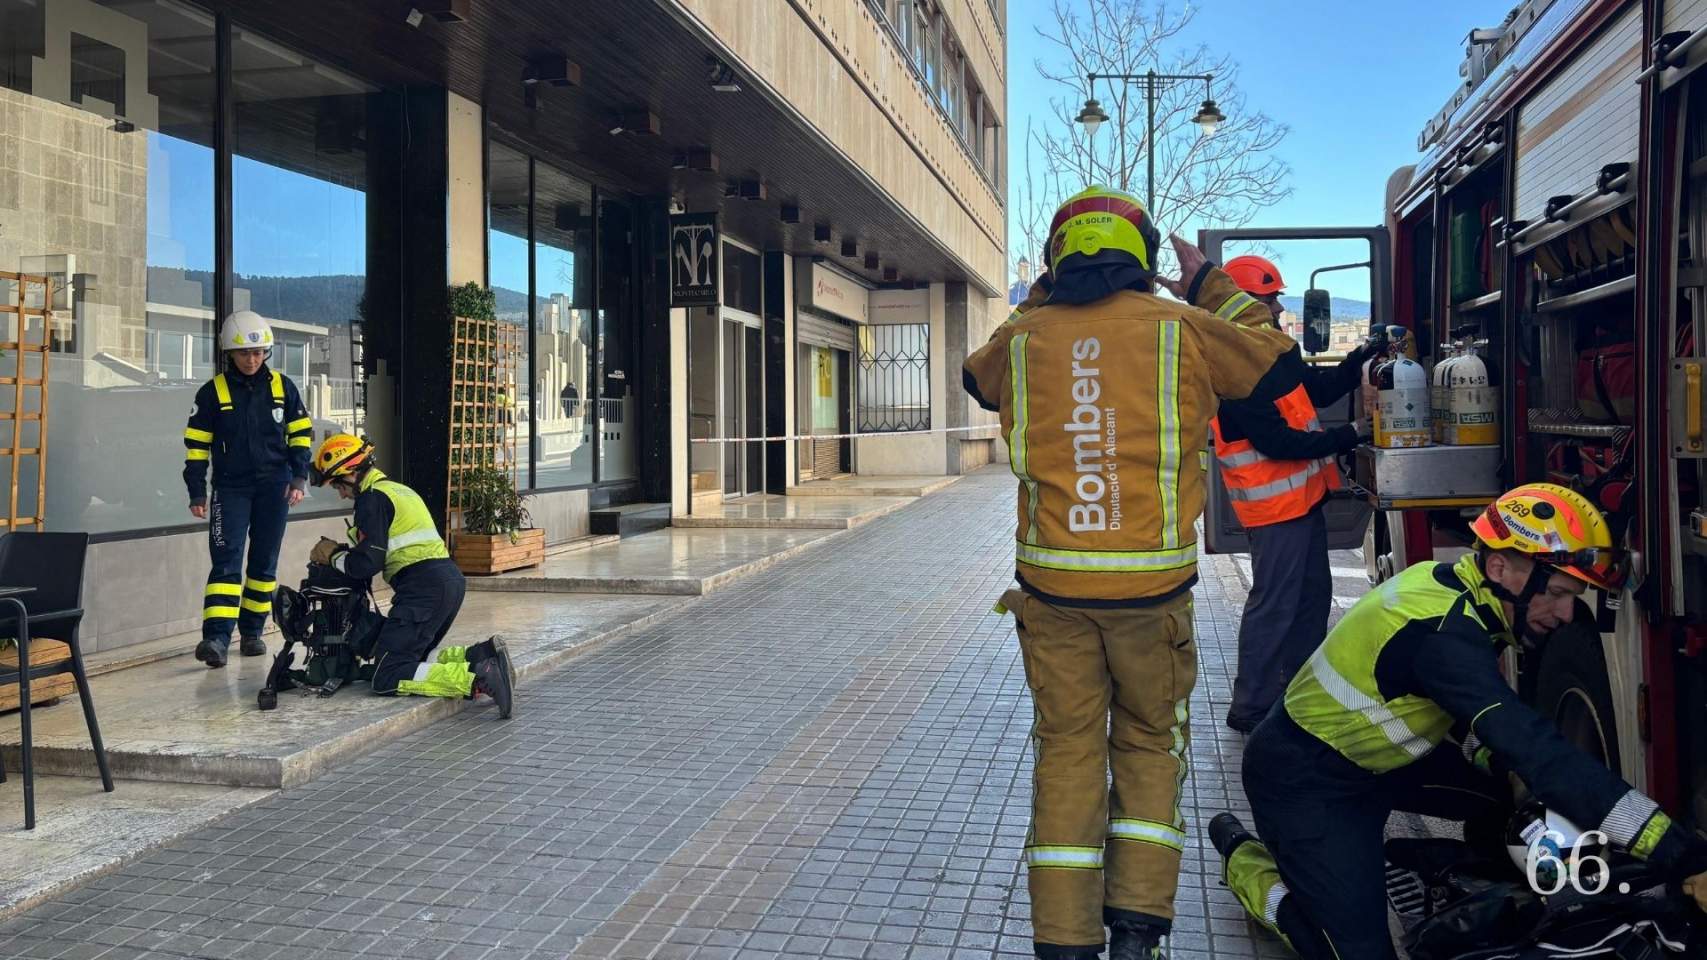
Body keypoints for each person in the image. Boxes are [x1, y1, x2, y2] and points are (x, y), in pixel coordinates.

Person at [962, 185, 1297, 960]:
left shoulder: (1023, 338)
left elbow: (976, 382)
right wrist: (1210, 282)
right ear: (1144, 259)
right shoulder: (1184, 326)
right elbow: (1279, 367)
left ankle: (1062, 942)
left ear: (1054, 261)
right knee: (1149, 750)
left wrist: (1043, 296)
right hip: (1152, 602)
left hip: (1052, 600)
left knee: (1067, 751)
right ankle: (1137, 930)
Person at [1212, 483, 1707, 958]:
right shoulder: (1443, 635)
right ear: (1500, 567)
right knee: (1352, 952)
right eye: (1557, 591)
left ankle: (1487, 891)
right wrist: (1680, 854)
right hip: (1304, 782)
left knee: (1516, 796)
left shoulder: (1466, 598)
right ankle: (1246, 860)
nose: (1565, 612)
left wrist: (1502, 767)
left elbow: (1465, 722)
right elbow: (1537, 749)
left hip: (1374, 767)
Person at [1209, 255, 1382, 733]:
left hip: (1301, 505)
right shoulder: (1233, 375)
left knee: (1310, 601)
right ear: (1242, 306)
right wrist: (1349, 435)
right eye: (1269, 299)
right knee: (1275, 606)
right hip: (1273, 511)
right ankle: (1251, 707)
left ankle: (1298, 696)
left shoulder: (1275, 355)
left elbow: (1319, 391)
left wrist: (1360, 358)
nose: (1278, 307)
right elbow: (1278, 444)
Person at [305, 434, 514, 717]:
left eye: (339, 484)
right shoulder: (397, 490)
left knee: (387, 675)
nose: (341, 494)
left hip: (423, 589)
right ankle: (481, 655)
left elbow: (366, 564)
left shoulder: (371, 499)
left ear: (353, 472)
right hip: (447, 581)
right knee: (411, 658)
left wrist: (331, 555)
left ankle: (477, 677)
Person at [182, 310, 315, 668]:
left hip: (276, 487)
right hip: (230, 489)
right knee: (226, 563)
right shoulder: (212, 393)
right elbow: (196, 447)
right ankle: (216, 639)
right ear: (230, 353)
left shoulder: (283, 388)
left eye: (258, 353)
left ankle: (252, 632)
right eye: (244, 353)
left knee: (264, 561)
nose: (252, 359)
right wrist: (197, 491)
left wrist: (299, 478)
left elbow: (301, 436)